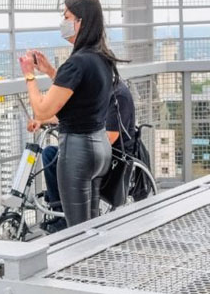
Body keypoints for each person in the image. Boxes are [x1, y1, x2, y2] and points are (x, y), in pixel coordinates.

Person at [18, 0, 117, 227]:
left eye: (67, 16)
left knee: (78, 230)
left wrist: (29, 75)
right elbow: (80, 95)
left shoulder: (77, 62)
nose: (63, 22)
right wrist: (53, 72)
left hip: (77, 150)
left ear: (80, 21)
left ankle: (86, 264)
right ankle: (98, 263)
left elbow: (42, 110)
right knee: (92, 225)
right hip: (100, 147)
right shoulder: (102, 57)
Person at [27, 65, 136, 231]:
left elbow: (110, 137)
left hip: (111, 155)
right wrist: (42, 121)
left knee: (63, 158)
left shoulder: (118, 96)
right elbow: (76, 116)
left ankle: (67, 216)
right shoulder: (101, 91)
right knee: (50, 154)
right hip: (93, 147)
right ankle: (59, 209)